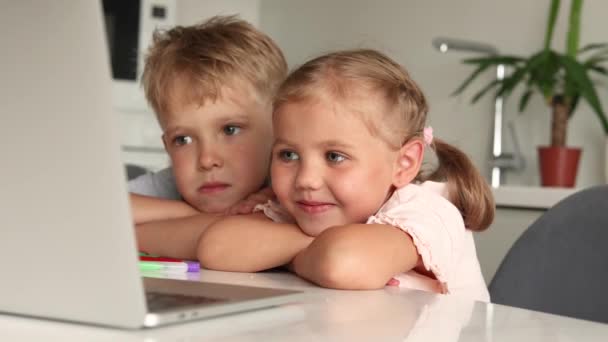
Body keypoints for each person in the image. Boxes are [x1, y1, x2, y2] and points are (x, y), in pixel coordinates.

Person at [198, 49, 494, 302]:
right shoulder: (307, 211)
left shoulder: (427, 212)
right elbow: (217, 247)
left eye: (334, 157)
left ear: (403, 164)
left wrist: (282, 252)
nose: (306, 179)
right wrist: (311, 250)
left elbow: (341, 262)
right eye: (289, 155)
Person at [129, 15, 287, 259]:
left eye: (230, 130)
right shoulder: (171, 185)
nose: (206, 159)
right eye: (183, 140)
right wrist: (185, 213)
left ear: (280, 129)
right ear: (167, 147)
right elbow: (91, 208)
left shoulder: (294, 185)